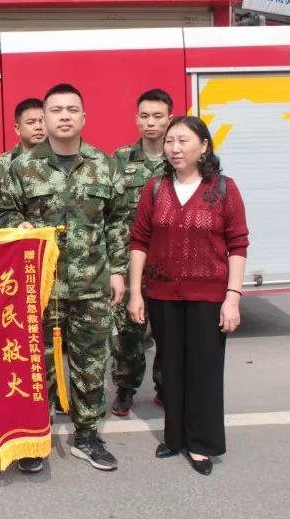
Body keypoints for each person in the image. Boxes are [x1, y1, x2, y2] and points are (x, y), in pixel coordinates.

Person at [0, 83, 130, 473]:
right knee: (37, 366)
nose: (64, 116)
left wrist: (119, 272)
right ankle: (36, 437)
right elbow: (0, 212)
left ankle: (88, 436)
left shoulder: (105, 166)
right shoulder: (19, 168)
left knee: (90, 364)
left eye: (72, 109)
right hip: (39, 287)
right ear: (45, 118)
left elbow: (119, 222)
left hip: (92, 285)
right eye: (56, 110)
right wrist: (15, 223)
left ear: (84, 118)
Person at [127, 115, 249, 476]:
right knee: (171, 368)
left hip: (209, 295)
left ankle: (201, 444)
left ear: (203, 146)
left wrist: (233, 296)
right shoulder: (155, 188)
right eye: (170, 141)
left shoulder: (223, 189)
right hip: (163, 294)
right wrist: (137, 293)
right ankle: (175, 437)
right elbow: (139, 241)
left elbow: (238, 244)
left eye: (183, 141)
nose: (174, 148)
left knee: (204, 371)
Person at [109, 89, 172, 417]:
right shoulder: (119, 159)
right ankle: (126, 386)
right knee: (128, 332)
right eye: (145, 116)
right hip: (130, 259)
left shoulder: (180, 158)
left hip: (170, 264)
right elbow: (112, 213)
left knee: (167, 330)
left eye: (158, 116)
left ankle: (165, 385)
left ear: (169, 119)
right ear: (136, 119)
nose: (151, 123)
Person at [0, 97, 45, 214]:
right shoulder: (1, 166)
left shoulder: (60, 161)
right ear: (17, 129)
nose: (39, 127)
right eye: (31, 122)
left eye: (43, 121)